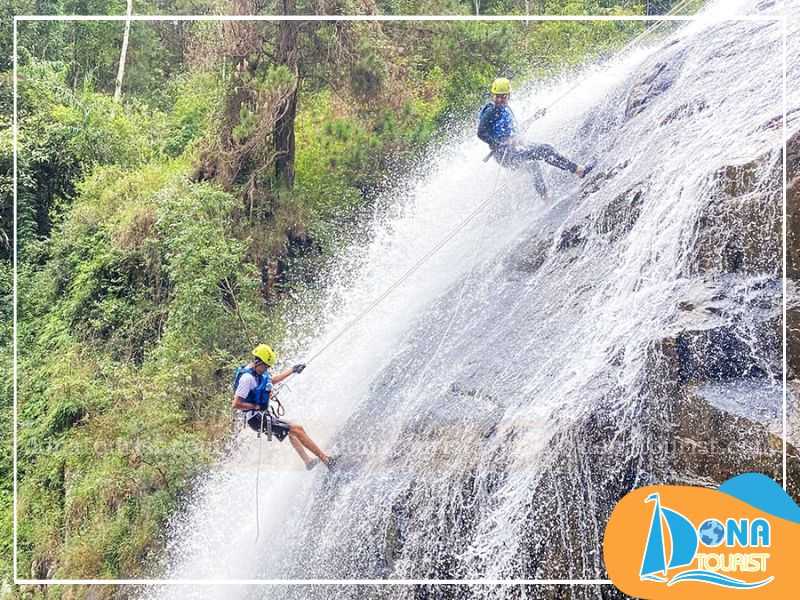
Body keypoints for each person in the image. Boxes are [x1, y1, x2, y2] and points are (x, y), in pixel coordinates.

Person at [477, 77, 594, 201]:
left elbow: (516, 131)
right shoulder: (490, 111)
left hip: (513, 150)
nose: (500, 99)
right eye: (497, 96)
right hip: (505, 155)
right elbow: (481, 133)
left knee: (534, 165)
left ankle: (545, 199)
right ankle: (579, 171)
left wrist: (534, 117)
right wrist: (499, 143)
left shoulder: (505, 109)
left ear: (509, 96)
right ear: (493, 95)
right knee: (545, 150)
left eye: (503, 96)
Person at [232, 343, 335, 471]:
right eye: (266, 366)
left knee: (292, 432)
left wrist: (292, 370)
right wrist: (257, 406)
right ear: (258, 362)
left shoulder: (257, 372)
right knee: (297, 429)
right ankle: (326, 460)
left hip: (261, 415)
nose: (266, 369)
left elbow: (271, 380)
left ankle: (308, 461)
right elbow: (236, 404)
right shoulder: (247, 378)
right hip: (256, 419)